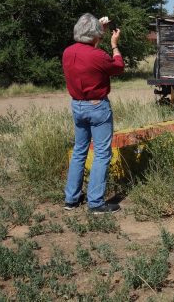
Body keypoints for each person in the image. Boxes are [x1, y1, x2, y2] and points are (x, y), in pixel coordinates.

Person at [62, 13, 124, 214]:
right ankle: (96, 202)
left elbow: (87, 54)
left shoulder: (68, 52)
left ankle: (71, 199)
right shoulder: (98, 55)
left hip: (77, 106)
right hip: (97, 107)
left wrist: (98, 32)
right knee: (101, 153)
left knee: (79, 150)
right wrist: (114, 45)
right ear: (95, 35)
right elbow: (118, 67)